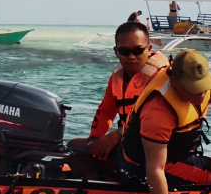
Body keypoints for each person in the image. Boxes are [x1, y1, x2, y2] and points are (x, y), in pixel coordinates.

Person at [118, 49, 211, 194]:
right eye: (194, 88)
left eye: (203, 85)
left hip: (174, 153)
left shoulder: (200, 78)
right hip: (141, 166)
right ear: (174, 81)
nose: (201, 93)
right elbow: (155, 169)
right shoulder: (158, 111)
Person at [68, 21, 169, 172]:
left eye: (138, 50)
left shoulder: (162, 77)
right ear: (116, 51)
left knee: (81, 157)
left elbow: (159, 119)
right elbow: (105, 112)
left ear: (149, 49)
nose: (131, 56)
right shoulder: (117, 78)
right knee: (74, 148)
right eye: (124, 51)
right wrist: (95, 140)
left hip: (158, 149)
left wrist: (119, 133)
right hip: (130, 143)